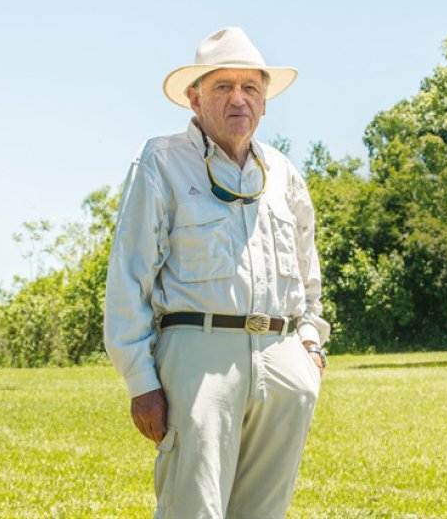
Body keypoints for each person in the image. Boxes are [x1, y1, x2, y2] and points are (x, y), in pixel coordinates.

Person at [104, 26, 330, 519]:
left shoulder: (284, 173)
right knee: (194, 510)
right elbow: (129, 276)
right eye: (222, 86)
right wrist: (142, 381)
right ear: (194, 97)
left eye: (251, 87)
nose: (238, 99)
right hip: (199, 361)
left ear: (265, 102)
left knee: (264, 512)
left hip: (283, 359)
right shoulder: (161, 162)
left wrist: (309, 347)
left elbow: (309, 274)